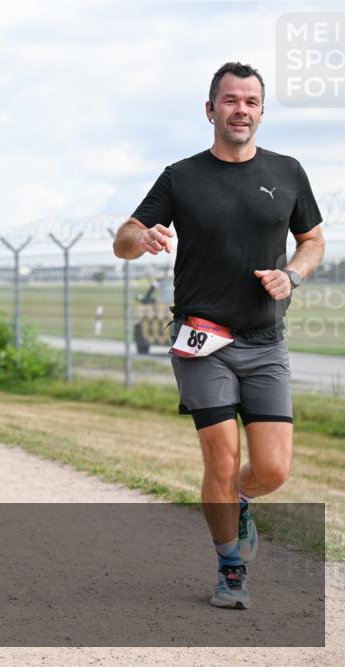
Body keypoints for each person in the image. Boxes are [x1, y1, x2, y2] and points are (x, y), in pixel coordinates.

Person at [113, 62, 325, 610]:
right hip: (202, 338)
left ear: (261, 111)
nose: (241, 110)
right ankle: (231, 566)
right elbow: (124, 239)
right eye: (230, 101)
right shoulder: (181, 176)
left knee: (273, 469)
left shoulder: (288, 171)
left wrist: (293, 274)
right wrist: (144, 235)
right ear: (211, 110)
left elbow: (313, 240)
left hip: (265, 342)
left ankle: (238, 503)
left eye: (251, 102)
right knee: (222, 457)